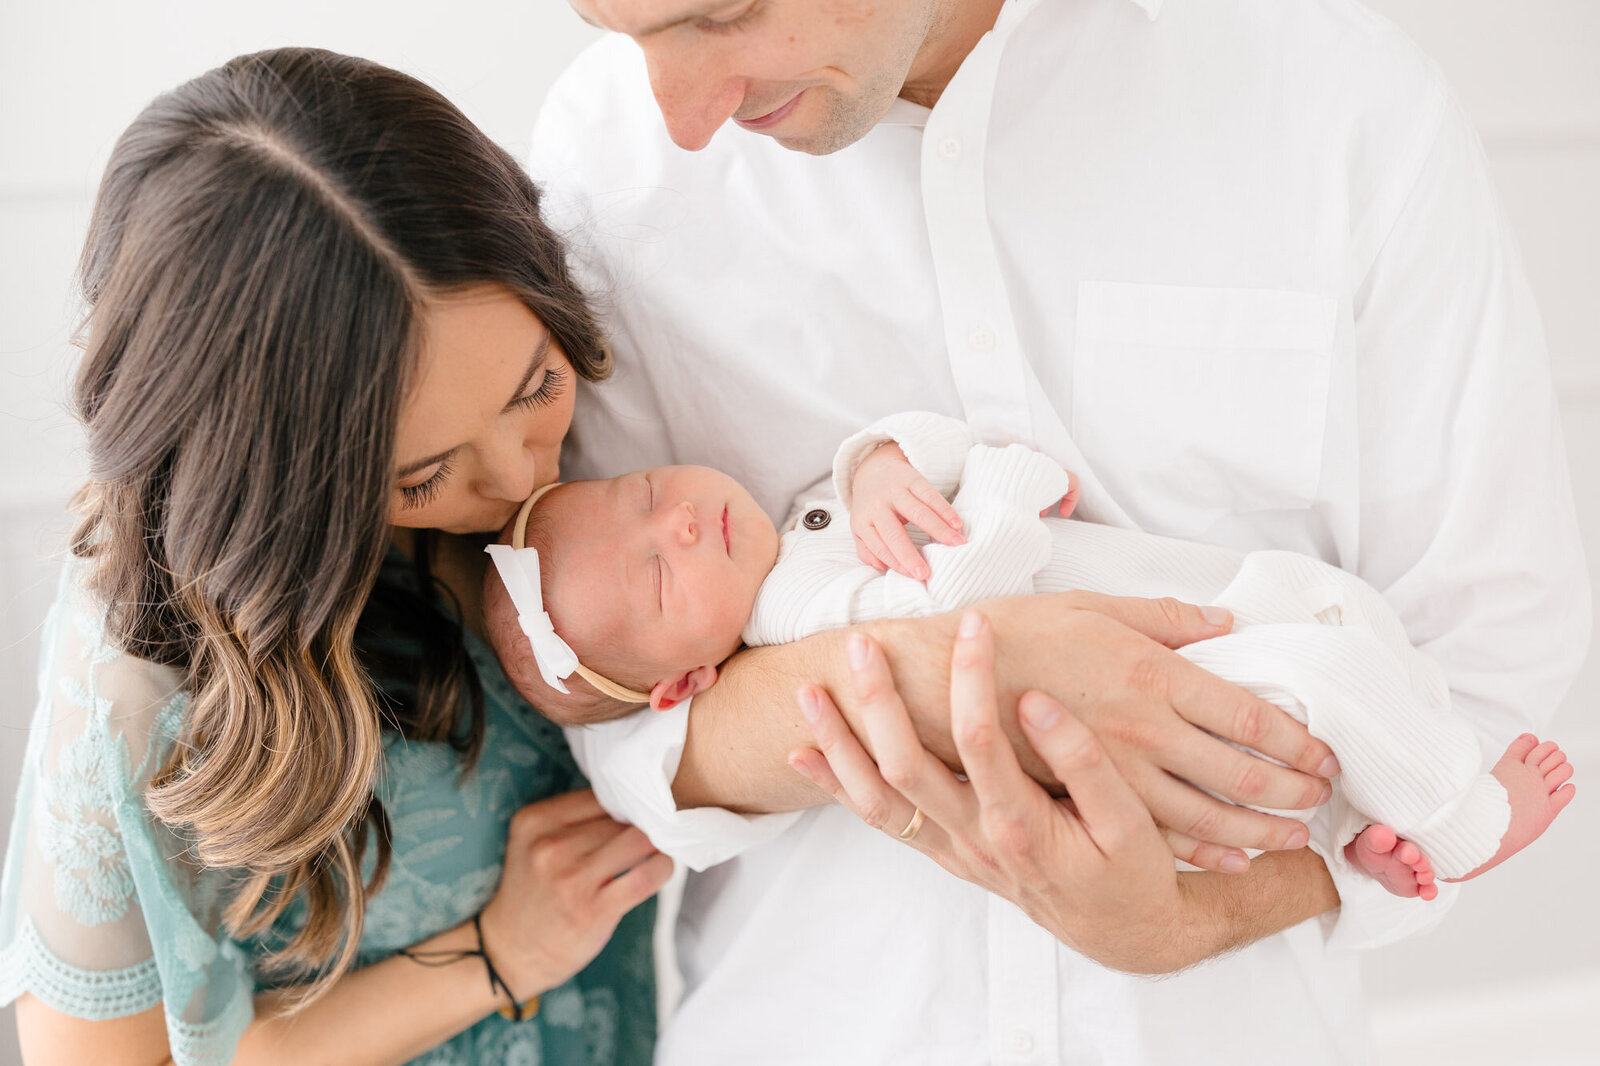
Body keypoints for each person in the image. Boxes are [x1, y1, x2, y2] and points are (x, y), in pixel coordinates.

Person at [530, 0, 1591, 1062]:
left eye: (724, 12)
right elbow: (609, 714)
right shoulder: (609, 161)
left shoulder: (1335, 102)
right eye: (614, 25)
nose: (677, 112)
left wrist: (1190, 920)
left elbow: (1487, 652)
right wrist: (944, 677)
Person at [0, 49, 670, 1066]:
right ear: (278, 485)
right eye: (419, 476)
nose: (517, 478)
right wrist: (494, 953)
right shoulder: (138, 676)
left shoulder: (605, 447)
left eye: (533, 388)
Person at [480, 409, 1571, 898]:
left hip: (1177, 631)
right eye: (660, 577)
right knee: (1317, 679)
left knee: (1330, 641)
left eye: (644, 494)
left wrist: (878, 464)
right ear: (686, 684)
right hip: (1152, 677)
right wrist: (1001, 492)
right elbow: (964, 611)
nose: (675, 525)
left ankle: (1354, 842)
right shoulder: (803, 621)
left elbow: (907, 441)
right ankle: (1465, 825)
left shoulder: (795, 525)